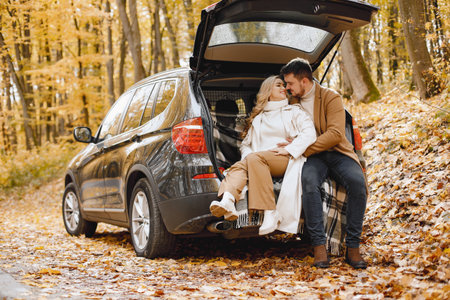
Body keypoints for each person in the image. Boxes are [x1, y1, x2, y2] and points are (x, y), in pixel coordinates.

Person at [279, 58, 368, 269]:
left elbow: (335, 134)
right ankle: (319, 246)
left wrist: (303, 147)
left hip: (337, 153)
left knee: (358, 184)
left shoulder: (330, 97)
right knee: (309, 184)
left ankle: (353, 247)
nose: (287, 88)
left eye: (290, 83)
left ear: (304, 81)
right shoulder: (292, 103)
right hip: (313, 159)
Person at [209, 75, 316, 235]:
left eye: (284, 86)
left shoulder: (294, 111)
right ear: (267, 91)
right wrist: (249, 159)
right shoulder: (258, 119)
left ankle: (270, 211)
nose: (284, 88)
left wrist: (290, 148)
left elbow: (310, 133)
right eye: (278, 85)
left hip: (286, 159)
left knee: (252, 159)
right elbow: (246, 145)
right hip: (259, 161)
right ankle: (228, 201)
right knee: (240, 165)